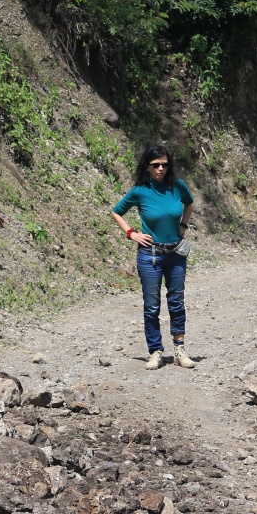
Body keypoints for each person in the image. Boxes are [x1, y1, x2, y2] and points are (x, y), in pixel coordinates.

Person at [112, 145, 197, 370]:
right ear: (147, 167)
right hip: (150, 255)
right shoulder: (140, 191)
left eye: (164, 165)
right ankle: (155, 351)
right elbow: (116, 211)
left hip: (175, 253)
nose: (160, 169)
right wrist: (132, 234)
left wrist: (184, 225)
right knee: (152, 306)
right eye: (155, 165)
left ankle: (179, 349)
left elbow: (189, 203)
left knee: (176, 302)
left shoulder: (177, 186)